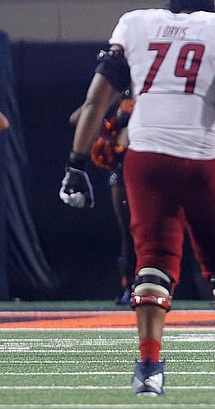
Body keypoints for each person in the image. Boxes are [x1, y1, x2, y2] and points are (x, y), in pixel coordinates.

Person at [58, 0, 215, 395]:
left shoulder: (135, 23)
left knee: (152, 259)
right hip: (204, 159)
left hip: (145, 157)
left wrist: (76, 163)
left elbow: (97, 99)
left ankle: (148, 367)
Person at [68, 92, 137, 306]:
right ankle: (129, 284)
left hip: (150, 163)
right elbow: (78, 118)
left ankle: (157, 281)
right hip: (123, 170)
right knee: (128, 230)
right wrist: (104, 103)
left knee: (153, 230)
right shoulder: (118, 96)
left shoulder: (150, 93)